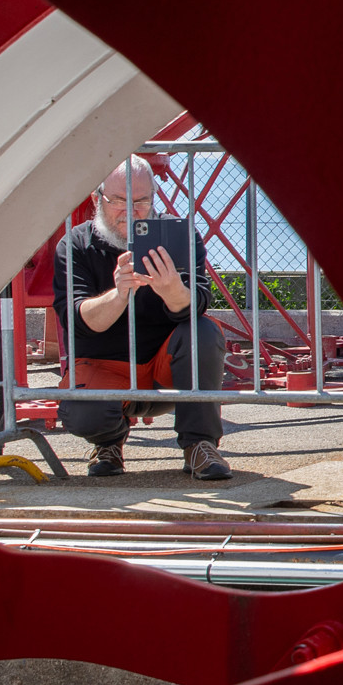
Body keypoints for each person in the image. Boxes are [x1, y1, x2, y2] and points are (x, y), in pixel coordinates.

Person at [54, 157, 232, 480]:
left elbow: (198, 303)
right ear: (97, 199)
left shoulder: (178, 235)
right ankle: (108, 443)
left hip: (166, 368)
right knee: (82, 412)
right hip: (105, 368)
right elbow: (77, 318)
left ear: (153, 199)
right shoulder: (76, 244)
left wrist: (172, 290)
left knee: (204, 332)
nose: (130, 211)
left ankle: (200, 444)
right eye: (118, 201)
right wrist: (119, 294)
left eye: (140, 201)